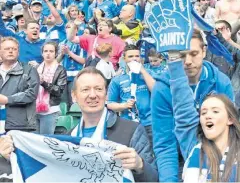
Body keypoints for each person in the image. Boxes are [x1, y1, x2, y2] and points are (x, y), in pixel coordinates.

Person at [0, 67, 158, 181]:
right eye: (85, 90)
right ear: (74, 96)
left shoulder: (131, 130)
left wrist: (140, 165)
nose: (93, 95)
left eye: (98, 89)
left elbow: (154, 179)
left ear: (106, 93)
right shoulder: (64, 141)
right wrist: (15, 155)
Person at [166, 49, 240, 182]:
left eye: (215, 111)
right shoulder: (194, 148)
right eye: (203, 112)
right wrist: (174, 58)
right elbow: (183, 112)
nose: (207, 116)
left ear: (230, 119)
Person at [151, 31, 234, 182]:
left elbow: (230, 131)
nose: (188, 61)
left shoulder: (221, 82)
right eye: (182, 55)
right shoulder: (162, 89)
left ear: (204, 51)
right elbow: (165, 144)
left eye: (193, 53)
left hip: (216, 157)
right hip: (179, 159)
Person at [107, 45, 157, 141]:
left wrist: (142, 71)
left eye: (137, 56)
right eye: (130, 56)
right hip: (129, 124)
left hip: (150, 123)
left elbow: (156, 91)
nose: (134, 59)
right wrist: (124, 105)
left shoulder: (149, 74)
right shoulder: (117, 80)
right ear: (124, 59)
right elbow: (110, 103)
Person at [0, 37, 39, 132]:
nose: (10, 51)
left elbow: (31, 93)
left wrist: (7, 99)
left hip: (21, 125)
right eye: (7, 49)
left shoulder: (29, 70)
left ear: (18, 52)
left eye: (14, 49)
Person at [36, 41, 67, 134]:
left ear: (56, 53)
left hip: (51, 110)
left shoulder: (60, 70)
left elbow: (58, 91)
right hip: (34, 110)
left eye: (51, 51)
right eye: (45, 51)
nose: (48, 53)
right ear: (42, 53)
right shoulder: (37, 68)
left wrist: (43, 83)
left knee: (45, 141)